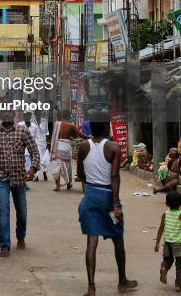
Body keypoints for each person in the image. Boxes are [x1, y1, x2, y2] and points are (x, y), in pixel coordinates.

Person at [77, 114, 138, 296]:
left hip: (90, 196)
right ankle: (122, 281)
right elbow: (114, 177)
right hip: (108, 197)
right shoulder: (113, 147)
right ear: (106, 128)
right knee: (117, 239)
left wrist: (91, 186)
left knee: (91, 240)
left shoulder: (83, 147)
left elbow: (80, 174)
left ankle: (91, 288)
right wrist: (116, 204)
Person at [0, 110, 40, 257]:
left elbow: (35, 152)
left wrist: (33, 168)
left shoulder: (22, 131)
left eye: (10, 112)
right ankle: (5, 246)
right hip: (1, 177)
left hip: (19, 178)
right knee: (3, 210)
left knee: (22, 212)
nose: (7, 114)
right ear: (1, 115)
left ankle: (21, 237)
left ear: (14, 114)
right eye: (4, 112)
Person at [50, 109, 87, 191]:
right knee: (68, 166)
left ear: (62, 116)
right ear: (69, 116)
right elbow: (80, 135)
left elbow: (54, 136)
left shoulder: (56, 124)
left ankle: (58, 186)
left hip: (57, 147)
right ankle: (69, 184)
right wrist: (90, 137)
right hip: (66, 148)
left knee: (57, 166)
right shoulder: (72, 125)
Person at [155, 191, 181, 291]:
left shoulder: (165, 214)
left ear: (166, 204)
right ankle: (178, 285)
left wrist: (157, 243)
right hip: (179, 243)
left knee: (168, 260)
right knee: (179, 264)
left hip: (167, 243)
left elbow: (160, 229)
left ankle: (164, 268)